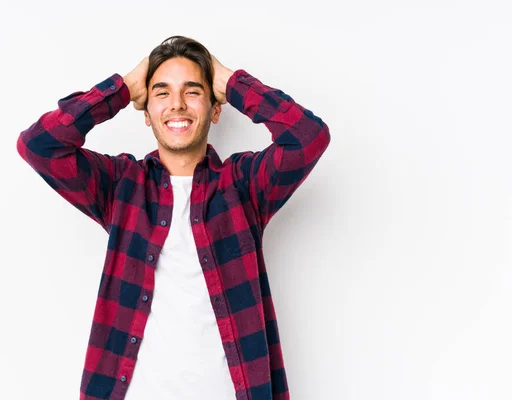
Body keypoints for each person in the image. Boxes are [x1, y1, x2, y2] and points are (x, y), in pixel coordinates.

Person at [17, 35, 331, 400]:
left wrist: (231, 81)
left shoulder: (243, 186)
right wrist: (121, 89)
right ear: (146, 113)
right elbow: (39, 145)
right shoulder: (121, 186)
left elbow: (308, 137)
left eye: (193, 91)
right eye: (162, 93)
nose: (177, 105)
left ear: (216, 109)